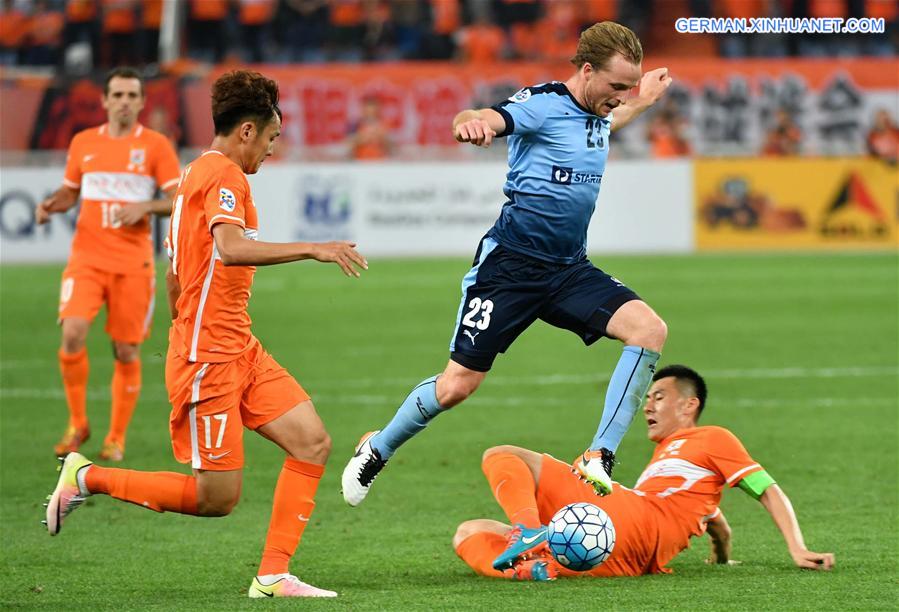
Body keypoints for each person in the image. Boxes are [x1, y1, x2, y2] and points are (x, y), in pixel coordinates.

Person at [44, 70, 368, 599]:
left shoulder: (195, 173)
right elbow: (231, 249)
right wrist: (314, 247)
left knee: (312, 442)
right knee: (217, 498)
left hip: (237, 344)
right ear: (246, 131)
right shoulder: (224, 176)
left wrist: (187, 320)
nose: (270, 150)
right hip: (210, 355)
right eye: (270, 138)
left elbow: (177, 272)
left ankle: (272, 576)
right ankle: (87, 477)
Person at [343, 21, 671, 506]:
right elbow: (483, 115)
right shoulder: (542, 104)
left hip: (567, 270)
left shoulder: (599, 114)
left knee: (649, 331)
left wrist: (643, 99)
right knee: (457, 386)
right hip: (509, 270)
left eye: (629, 86)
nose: (622, 96)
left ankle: (598, 454)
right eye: (616, 86)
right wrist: (468, 123)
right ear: (586, 70)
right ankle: (379, 447)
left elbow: (606, 124)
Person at [453, 365, 836, 580]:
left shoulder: (712, 437)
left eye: (658, 397)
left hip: (633, 518)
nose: (648, 406)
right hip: (624, 558)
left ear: (690, 405)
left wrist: (797, 547)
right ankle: (527, 570)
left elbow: (766, 489)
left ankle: (528, 529)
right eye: (647, 399)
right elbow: (715, 522)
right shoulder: (671, 468)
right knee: (469, 532)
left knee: (503, 454)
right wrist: (721, 557)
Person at [36, 67, 181, 462]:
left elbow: (180, 199)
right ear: (104, 100)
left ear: (141, 102)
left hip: (133, 264)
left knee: (126, 351)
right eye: (117, 95)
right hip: (87, 258)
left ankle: (116, 437)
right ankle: (78, 423)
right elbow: (70, 193)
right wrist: (51, 205)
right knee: (72, 333)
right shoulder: (84, 143)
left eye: (132, 96)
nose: (124, 103)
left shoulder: (155, 146)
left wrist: (146, 206)